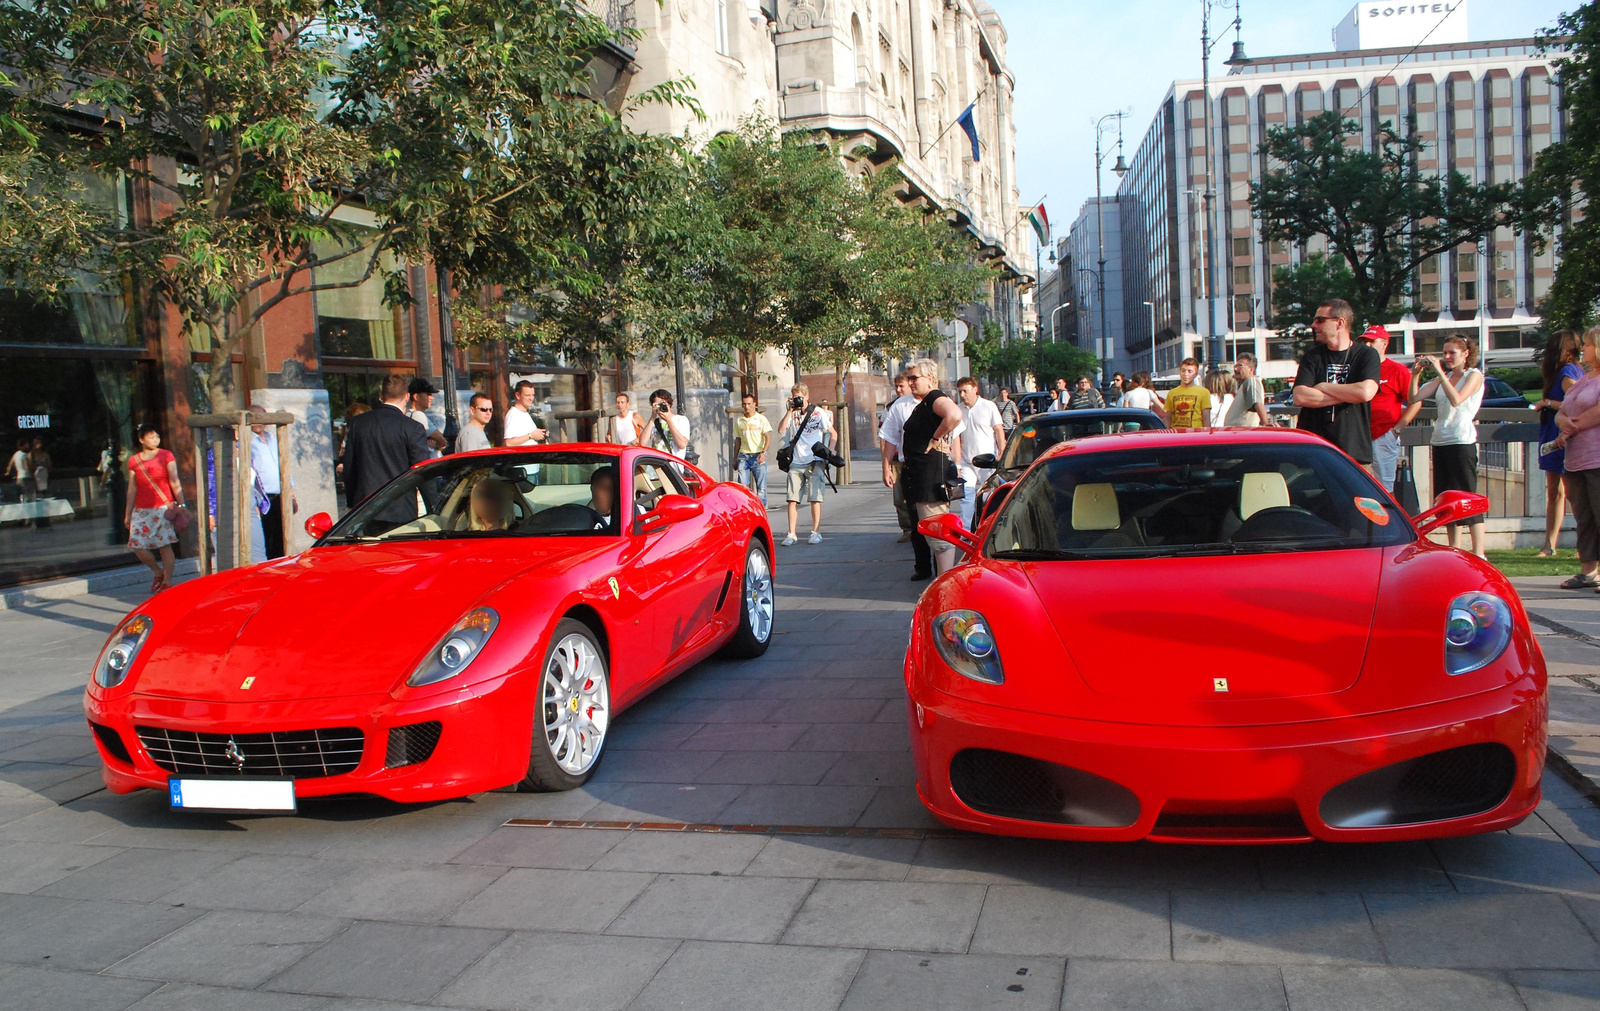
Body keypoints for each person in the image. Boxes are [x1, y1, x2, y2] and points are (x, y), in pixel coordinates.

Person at [1408, 335, 1487, 558]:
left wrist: (1441, 374)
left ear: (1465, 354)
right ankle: (1456, 548)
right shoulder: (1445, 378)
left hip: (1462, 441)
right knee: (1447, 498)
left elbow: (1457, 399)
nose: (1447, 357)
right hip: (1441, 440)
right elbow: (1413, 397)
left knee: (1467, 495)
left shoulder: (1474, 375)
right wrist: (1416, 375)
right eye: (1445, 353)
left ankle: (1479, 551)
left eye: (1452, 352)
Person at [1293, 298, 1381, 464]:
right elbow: (1300, 396)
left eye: (1320, 320)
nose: (1313, 325)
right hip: (1314, 452)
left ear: (1339, 323)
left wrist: (1323, 386)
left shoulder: (1366, 355)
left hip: (1354, 454)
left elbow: (1365, 392)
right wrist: (1349, 395)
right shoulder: (1312, 356)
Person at [901, 359, 964, 579]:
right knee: (933, 531)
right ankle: (944, 582)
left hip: (929, 477)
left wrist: (935, 437)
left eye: (914, 378)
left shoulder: (935, 398)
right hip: (921, 476)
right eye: (909, 378)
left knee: (937, 534)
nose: (910, 382)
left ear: (930, 378)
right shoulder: (927, 402)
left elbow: (955, 415)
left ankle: (946, 584)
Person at [342, 374, 432, 514]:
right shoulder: (412, 428)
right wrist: (434, 507)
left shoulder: (358, 423)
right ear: (407, 396)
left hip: (366, 507)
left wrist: (352, 502)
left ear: (381, 395)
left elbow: (350, 466)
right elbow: (423, 471)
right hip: (401, 507)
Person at [1554, 327, 1600, 589]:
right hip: (1575, 459)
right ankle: (1588, 570)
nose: (1583, 349)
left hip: (1597, 458)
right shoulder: (1583, 379)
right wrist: (1563, 423)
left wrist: (1572, 427)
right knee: (1584, 516)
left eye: (1589, 345)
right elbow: (1563, 409)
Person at [1535, 331, 1584, 556]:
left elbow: (1575, 401)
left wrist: (1547, 402)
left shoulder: (1567, 372)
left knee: (1570, 492)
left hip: (1561, 436)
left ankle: (1583, 545)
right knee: (1555, 491)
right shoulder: (1564, 371)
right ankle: (1550, 544)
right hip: (1552, 433)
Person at [126, 423, 186, 593]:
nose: (155, 440)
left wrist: (181, 503)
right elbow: (132, 488)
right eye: (151, 437)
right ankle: (157, 572)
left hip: (162, 507)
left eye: (157, 436)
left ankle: (167, 579)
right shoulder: (134, 460)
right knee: (137, 544)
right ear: (141, 439)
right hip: (142, 508)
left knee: (164, 545)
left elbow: (174, 480)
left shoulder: (166, 455)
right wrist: (128, 513)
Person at [1357, 326, 1418, 493]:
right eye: (1363, 342)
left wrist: (1396, 430)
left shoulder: (1398, 370)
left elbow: (1416, 401)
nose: (1366, 345)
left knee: (1384, 488)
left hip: (1383, 435)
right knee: (1358, 485)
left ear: (1384, 344)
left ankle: (1387, 519)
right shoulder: (1357, 368)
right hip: (1358, 435)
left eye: (1371, 341)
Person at [778, 383, 835, 545]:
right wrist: (789, 410)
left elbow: (833, 433)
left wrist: (830, 451)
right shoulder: (792, 413)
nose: (797, 400)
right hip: (796, 461)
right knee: (792, 499)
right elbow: (781, 430)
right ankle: (791, 534)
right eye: (795, 397)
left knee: (814, 498)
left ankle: (816, 532)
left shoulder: (818, 413)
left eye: (800, 397)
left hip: (814, 460)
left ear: (807, 396)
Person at [247, 405, 298, 559]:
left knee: (283, 537)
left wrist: (292, 495)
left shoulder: (274, 439)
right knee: (267, 538)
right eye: (256, 418)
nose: (259, 422)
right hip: (263, 498)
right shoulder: (248, 442)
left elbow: (283, 465)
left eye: (262, 418)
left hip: (281, 495)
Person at [954, 377, 1006, 528]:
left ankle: (989, 527)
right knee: (966, 496)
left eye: (965, 391)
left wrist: (1001, 453)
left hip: (987, 461)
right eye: (960, 391)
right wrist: (957, 463)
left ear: (975, 389)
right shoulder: (958, 410)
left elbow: (998, 430)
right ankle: (966, 530)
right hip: (967, 462)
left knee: (988, 495)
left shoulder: (988, 406)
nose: (962, 395)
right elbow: (956, 438)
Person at [879, 372, 918, 543]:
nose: (899, 389)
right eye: (896, 386)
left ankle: (920, 528)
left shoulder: (920, 403)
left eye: (902, 385)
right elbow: (885, 437)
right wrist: (885, 464)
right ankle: (907, 529)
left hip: (916, 458)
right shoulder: (891, 407)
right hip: (897, 458)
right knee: (899, 496)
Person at [733, 393, 772, 505]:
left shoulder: (761, 419)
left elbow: (768, 437)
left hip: (758, 455)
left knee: (761, 488)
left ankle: (761, 510)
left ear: (754, 404)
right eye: (744, 404)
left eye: (749, 404)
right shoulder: (739, 420)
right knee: (743, 487)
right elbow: (738, 440)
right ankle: (746, 508)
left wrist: (764, 452)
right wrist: (735, 458)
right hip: (744, 455)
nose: (747, 406)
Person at [1225, 353, 1272, 428]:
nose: (1235, 369)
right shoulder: (1245, 384)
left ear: (1251, 369)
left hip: (1243, 433)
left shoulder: (1252, 380)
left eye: (1240, 366)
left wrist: (1266, 423)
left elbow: (1257, 403)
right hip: (1238, 433)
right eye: (1235, 366)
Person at [642, 389, 691, 458]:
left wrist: (668, 420)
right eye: (657, 404)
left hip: (671, 466)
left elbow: (682, 444)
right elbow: (642, 443)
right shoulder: (653, 422)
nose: (661, 406)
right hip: (655, 464)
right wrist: (652, 417)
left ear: (669, 403)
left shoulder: (681, 420)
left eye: (663, 403)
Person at [1165, 358, 1212, 429]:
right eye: (1183, 371)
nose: (1185, 374)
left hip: (1195, 434)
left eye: (1190, 371)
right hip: (1176, 434)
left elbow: (1206, 417)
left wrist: (1207, 433)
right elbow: (1168, 417)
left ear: (1196, 374)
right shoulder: (1172, 393)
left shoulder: (1203, 392)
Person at [406, 378, 447, 457]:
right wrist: (437, 442)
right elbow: (443, 441)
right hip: (429, 464)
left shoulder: (408, 414)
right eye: (428, 394)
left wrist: (434, 441)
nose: (432, 397)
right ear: (416, 397)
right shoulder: (418, 415)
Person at [503, 380, 549, 447]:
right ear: (518, 395)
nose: (531, 398)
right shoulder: (513, 415)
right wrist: (531, 436)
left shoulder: (525, 413)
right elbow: (508, 443)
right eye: (527, 395)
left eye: (532, 395)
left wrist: (540, 435)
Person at [587, 465, 619, 529]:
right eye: (596, 489)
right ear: (591, 490)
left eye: (607, 488)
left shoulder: (632, 514)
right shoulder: (585, 519)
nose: (600, 494)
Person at [5, 438, 28, 505]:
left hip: (19, 477)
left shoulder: (16, 454)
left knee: (21, 495)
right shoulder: (25, 455)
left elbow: (10, 464)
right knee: (27, 495)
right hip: (26, 476)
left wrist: (8, 472)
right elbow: (27, 466)